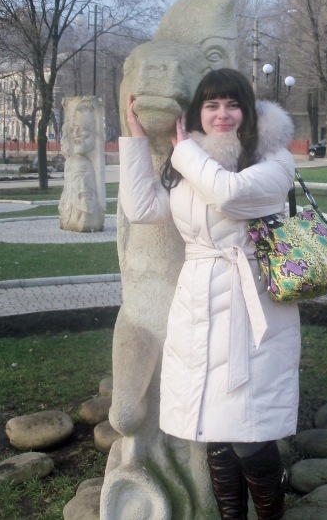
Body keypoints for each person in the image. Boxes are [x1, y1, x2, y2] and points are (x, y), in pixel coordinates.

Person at [118, 68, 301, 519]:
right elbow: (142, 208)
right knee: (214, 433)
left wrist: (183, 151)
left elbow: (229, 195)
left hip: (252, 310)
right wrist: (137, 140)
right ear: (198, 111)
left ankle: (271, 514)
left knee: (248, 432)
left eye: (233, 104)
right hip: (198, 308)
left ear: (248, 111)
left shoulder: (273, 159)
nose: (222, 114)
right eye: (212, 105)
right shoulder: (190, 163)